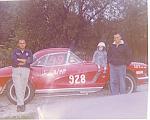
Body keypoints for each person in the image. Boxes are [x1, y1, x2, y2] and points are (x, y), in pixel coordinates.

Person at [12, 39, 33, 112]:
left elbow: (31, 60)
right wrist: (24, 61)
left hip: (25, 70)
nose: (22, 44)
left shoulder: (29, 52)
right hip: (16, 70)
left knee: (23, 87)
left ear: (25, 44)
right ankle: (20, 105)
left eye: (23, 43)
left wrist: (22, 61)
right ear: (18, 44)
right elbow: (14, 59)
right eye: (20, 43)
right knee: (18, 87)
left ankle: (21, 104)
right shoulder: (15, 51)